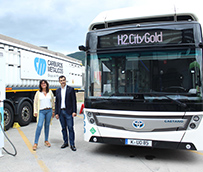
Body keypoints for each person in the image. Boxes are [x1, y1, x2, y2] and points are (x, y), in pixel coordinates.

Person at [55, 75, 77, 151]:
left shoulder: (70, 89)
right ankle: (65, 142)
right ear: (59, 82)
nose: (62, 81)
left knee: (70, 128)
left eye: (63, 80)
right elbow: (57, 102)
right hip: (61, 112)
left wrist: (74, 111)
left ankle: (72, 144)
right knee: (63, 128)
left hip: (69, 112)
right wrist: (56, 113)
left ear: (65, 80)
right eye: (61, 80)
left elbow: (74, 101)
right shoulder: (58, 91)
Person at [32, 80, 55, 151]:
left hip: (49, 110)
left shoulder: (50, 92)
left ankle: (46, 140)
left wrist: (53, 110)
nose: (43, 84)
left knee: (47, 125)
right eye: (42, 83)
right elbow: (35, 103)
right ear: (40, 85)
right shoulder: (38, 93)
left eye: (44, 83)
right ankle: (35, 143)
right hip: (41, 111)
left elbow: (53, 101)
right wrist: (35, 111)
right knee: (39, 125)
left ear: (47, 84)